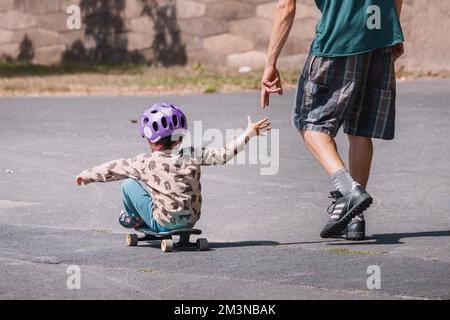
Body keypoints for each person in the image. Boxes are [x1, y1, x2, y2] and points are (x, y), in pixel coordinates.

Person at [260, 0, 404, 240]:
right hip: (380, 37)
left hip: (338, 40)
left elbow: (285, 6)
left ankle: (350, 191)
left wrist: (270, 63)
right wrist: (394, 29)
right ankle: (355, 219)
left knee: (308, 121)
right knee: (360, 129)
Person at [76, 103, 271, 232]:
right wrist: (249, 133)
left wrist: (86, 175)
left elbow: (114, 168)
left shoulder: (145, 161)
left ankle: (133, 219)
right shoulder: (191, 154)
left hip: (163, 223)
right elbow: (224, 154)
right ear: (180, 136)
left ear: (151, 139)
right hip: (191, 221)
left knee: (128, 183)